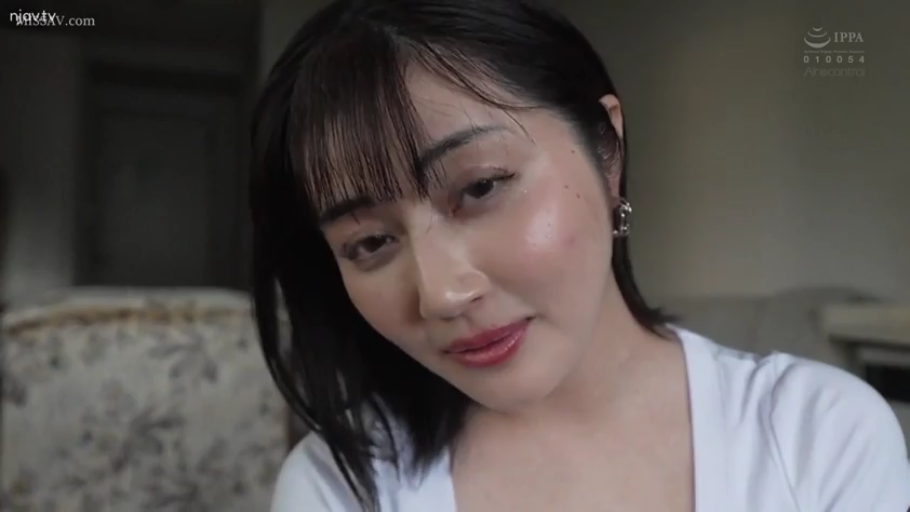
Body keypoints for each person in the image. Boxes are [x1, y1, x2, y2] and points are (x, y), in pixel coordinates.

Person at [249, 1, 910, 510]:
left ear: (606, 151)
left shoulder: (819, 436)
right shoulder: (339, 489)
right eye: (369, 242)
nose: (442, 292)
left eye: (480, 188)